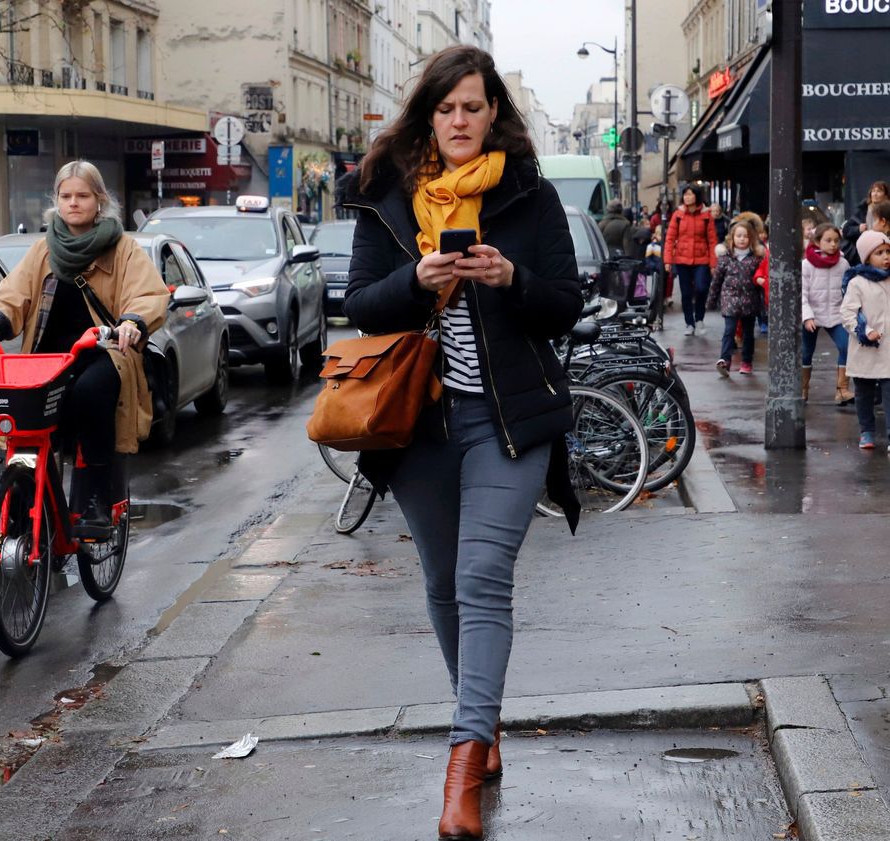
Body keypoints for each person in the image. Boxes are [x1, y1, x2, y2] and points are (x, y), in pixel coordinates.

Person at [338, 44, 582, 841]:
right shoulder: (388, 198)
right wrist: (419, 282)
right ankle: (485, 723)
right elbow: (362, 306)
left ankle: (463, 762)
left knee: (483, 576)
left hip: (507, 421)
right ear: (428, 116)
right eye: (446, 108)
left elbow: (566, 306)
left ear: (493, 114)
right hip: (420, 425)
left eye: (473, 107)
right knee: (443, 579)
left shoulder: (529, 196)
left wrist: (512, 280)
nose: (459, 121)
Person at [0, 160, 168, 532]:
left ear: (99, 201)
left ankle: (94, 501)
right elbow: (13, 295)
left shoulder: (123, 249)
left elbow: (147, 295)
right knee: (23, 415)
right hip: (47, 359)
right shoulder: (44, 249)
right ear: (56, 201)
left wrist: (133, 322)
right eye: (66, 195)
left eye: (83, 195)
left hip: (103, 353)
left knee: (90, 393)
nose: (74, 203)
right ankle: (27, 495)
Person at [839, 231, 890, 450]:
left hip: (888, 350)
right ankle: (866, 431)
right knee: (864, 394)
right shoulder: (857, 283)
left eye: (888, 251)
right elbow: (848, 313)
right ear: (867, 257)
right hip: (865, 349)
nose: (886, 256)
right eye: (879, 252)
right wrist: (865, 331)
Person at [801, 222, 853, 404]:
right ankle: (803, 389)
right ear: (817, 241)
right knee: (806, 351)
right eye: (828, 240)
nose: (833, 244)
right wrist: (807, 316)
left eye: (836, 240)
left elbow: (848, 290)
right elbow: (802, 295)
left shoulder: (843, 263)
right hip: (812, 315)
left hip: (836, 314)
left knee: (847, 346)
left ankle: (842, 389)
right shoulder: (806, 265)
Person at [708, 221, 765, 376]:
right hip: (730, 299)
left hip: (749, 301)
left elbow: (761, 281)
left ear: (751, 239)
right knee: (729, 330)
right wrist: (711, 300)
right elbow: (717, 281)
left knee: (748, 333)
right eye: (738, 236)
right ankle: (725, 360)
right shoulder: (725, 259)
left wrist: (764, 305)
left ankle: (747, 361)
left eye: (745, 236)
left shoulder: (756, 259)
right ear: (732, 238)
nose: (742, 239)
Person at [664, 185, 720, 335]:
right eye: (685, 194)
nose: (687, 197)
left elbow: (712, 240)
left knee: (702, 288)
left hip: (702, 259)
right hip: (682, 260)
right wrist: (668, 260)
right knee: (686, 293)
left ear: (697, 196)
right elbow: (670, 239)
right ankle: (689, 323)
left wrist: (713, 263)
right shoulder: (678, 215)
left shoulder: (706, 215)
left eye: (690, 194)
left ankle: (699, 318)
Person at [841, 181, 889, 266]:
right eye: (873, 191)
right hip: (862, 256)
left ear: (885, 195)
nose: (875, 194)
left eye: (879, 191)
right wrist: (858, 229)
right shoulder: (862, 211)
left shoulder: (887, 211)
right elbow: (846, 230)